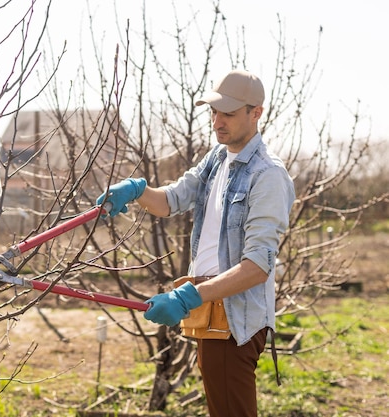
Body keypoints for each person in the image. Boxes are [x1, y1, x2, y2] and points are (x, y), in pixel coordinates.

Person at [96, 69, 295, 417]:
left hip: (234, 322)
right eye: (214, 112)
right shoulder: (218, 159)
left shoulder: (268, 176)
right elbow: (170, 200)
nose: (218, 121)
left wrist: (187, 296)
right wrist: (139, 190)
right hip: (210, 315)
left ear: (256, 112)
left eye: (229, 113)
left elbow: (257, 267)